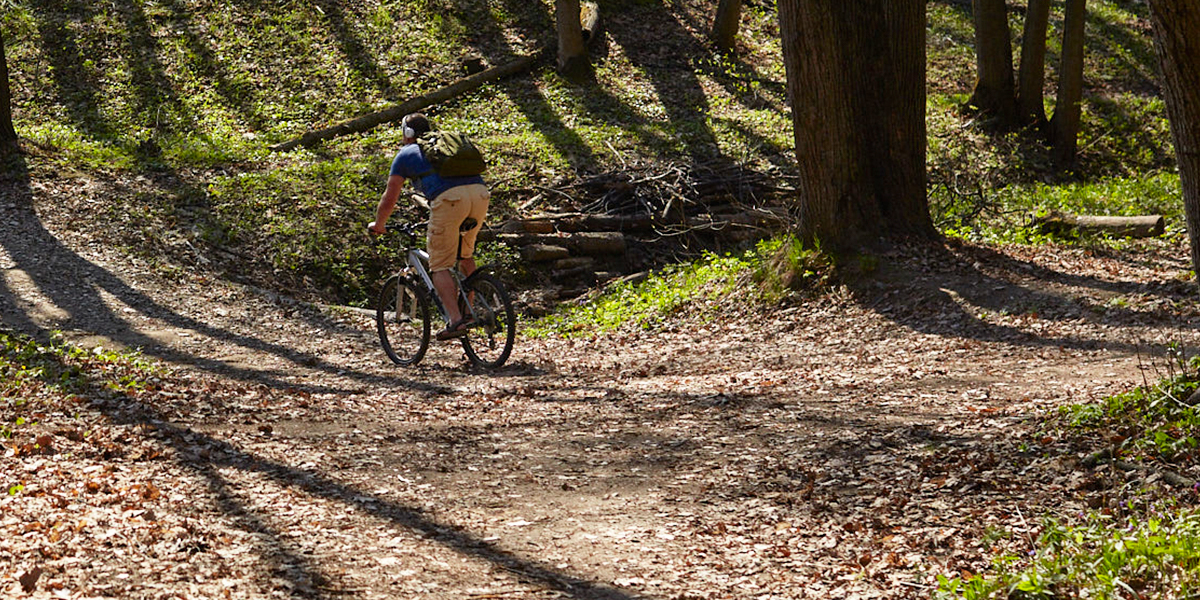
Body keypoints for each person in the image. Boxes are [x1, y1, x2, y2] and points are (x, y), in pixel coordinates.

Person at [368, 113, 490, 340]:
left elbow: (390, 196)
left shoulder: (406, 154)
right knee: (464, 256)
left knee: (440, 264)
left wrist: (379, 224)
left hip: (450, 200)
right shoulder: (446, 144)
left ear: (407, 133)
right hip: (480, 195)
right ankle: (470, 312)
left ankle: (455, 320)